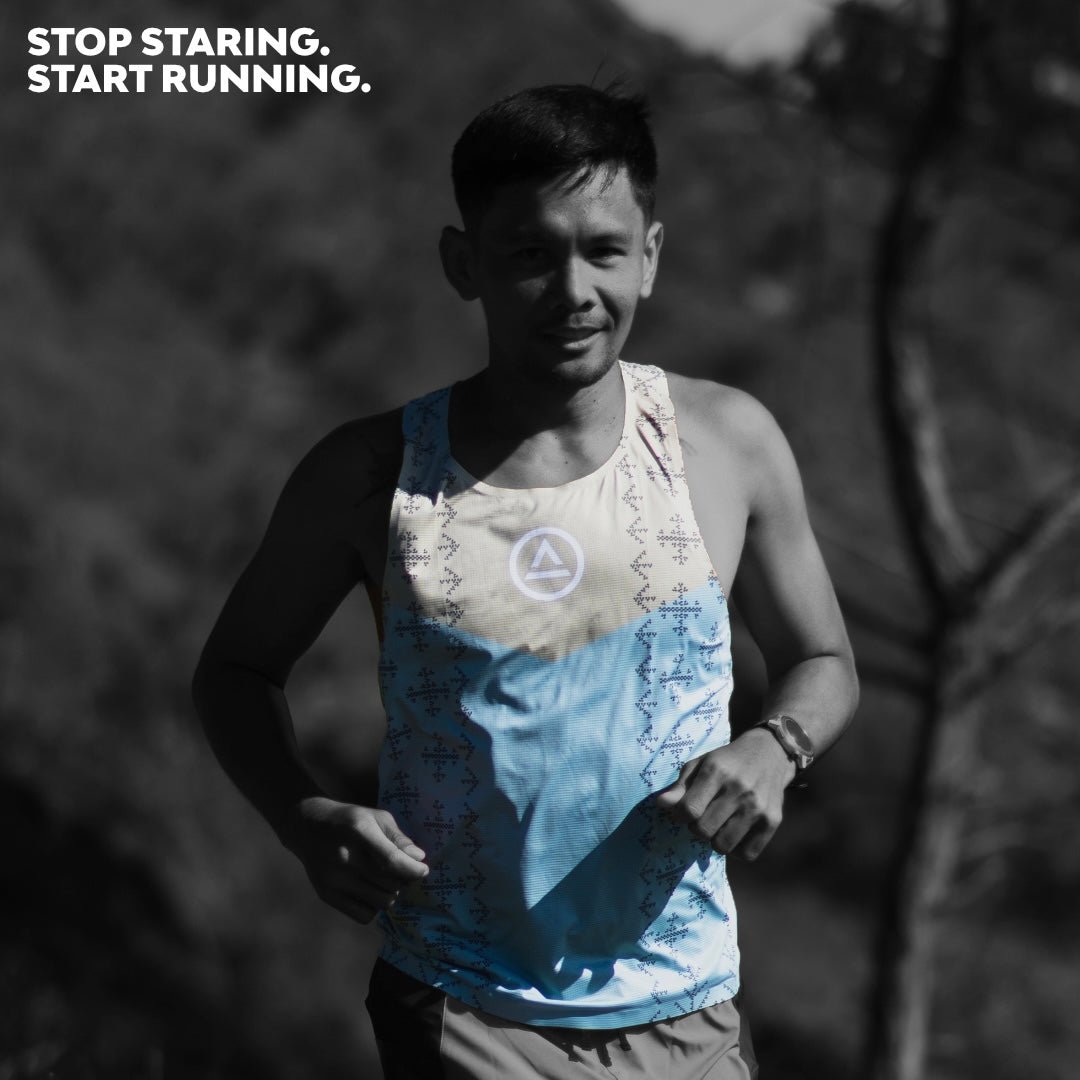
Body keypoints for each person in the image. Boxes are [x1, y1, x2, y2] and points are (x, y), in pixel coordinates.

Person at [192, 83, 859, 1079]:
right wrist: (302, 814)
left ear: (652, 256)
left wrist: (776, 747)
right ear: (466, 264)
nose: (574, 289)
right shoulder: (370, 474)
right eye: (530, 255)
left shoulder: (729, 443)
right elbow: (236, 671)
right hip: (462, 1003)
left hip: (690, 1006)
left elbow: (823, 658)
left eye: (604, 250)